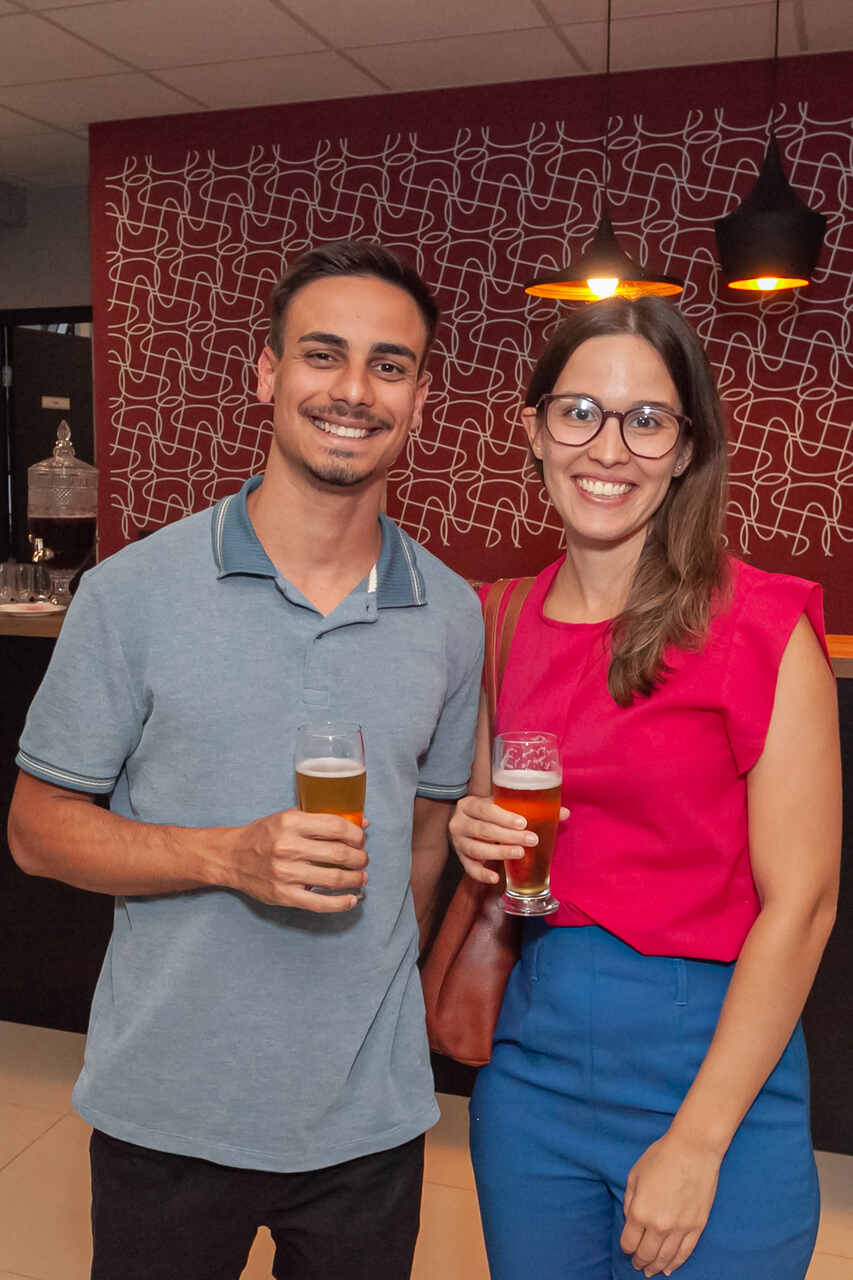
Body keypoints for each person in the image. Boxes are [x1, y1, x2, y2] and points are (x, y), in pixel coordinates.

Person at [8, 240, 484, 1280]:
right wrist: (227, 856)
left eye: (389, 365)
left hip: (370, 1118)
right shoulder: (131, 593)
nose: (352, 390)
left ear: (421, 398)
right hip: (168, 1108)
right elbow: (37, 832)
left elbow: (425, 833)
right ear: (266, 373)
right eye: (322, 354)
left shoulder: (452, 614)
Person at [449, 297, 840, 1280]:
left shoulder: (758, 626)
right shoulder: (495, 620)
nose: (607, 448)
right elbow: (493, 834)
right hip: (531, 1074)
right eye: (578, 411)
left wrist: (697, 1141)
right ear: (534, 428)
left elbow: (802, 904)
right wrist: (468, 830)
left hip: (714, 1076)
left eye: (646, 420)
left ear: (684, 449)